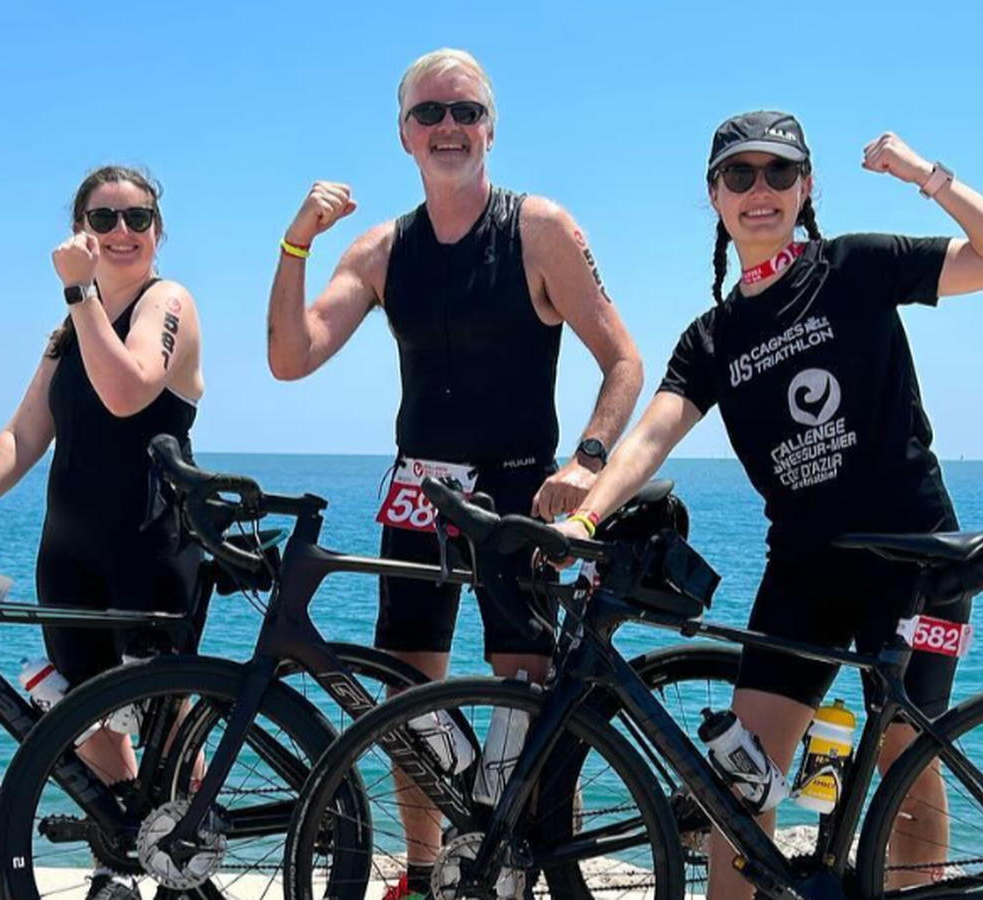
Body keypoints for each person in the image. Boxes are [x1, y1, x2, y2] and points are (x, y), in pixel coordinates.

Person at [555, 110, 983, 899]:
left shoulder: (854, 266)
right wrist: (584, 516)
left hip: (914, 559)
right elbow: (650, 438)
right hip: (805, 567)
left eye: (779, 172)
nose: (760, 190)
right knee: (741, 777)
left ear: (806, 187)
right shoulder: (713, 337)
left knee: (905, 765)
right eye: (739, 175)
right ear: (714, 194)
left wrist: (925, 176)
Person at [266, 48, 643, 899]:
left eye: (465, 111)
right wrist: (296, 242)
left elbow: (623, 359)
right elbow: (290, 358)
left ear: (491, 129)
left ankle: (530, 869)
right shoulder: (380, 249)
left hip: (518, 492)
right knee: (403, 698)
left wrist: (587, 462)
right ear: (403, 134)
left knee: (526, 699)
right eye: (429, 113)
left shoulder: (539, 229)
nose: (448, 127)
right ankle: (426, 870)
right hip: (420, 490)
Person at [0, 165, 205, 900]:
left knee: (167, 728)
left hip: (150, 546)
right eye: (103, 219)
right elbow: (23, 432)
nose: (121, 232)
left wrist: (80, 293)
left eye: (137, 218)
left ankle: (192, 867)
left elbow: (128, 389)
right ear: (81, 231)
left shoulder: (166, 300)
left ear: (158, 231)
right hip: (71, 549)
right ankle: (120, 865)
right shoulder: (70, 329)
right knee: (88, 717)